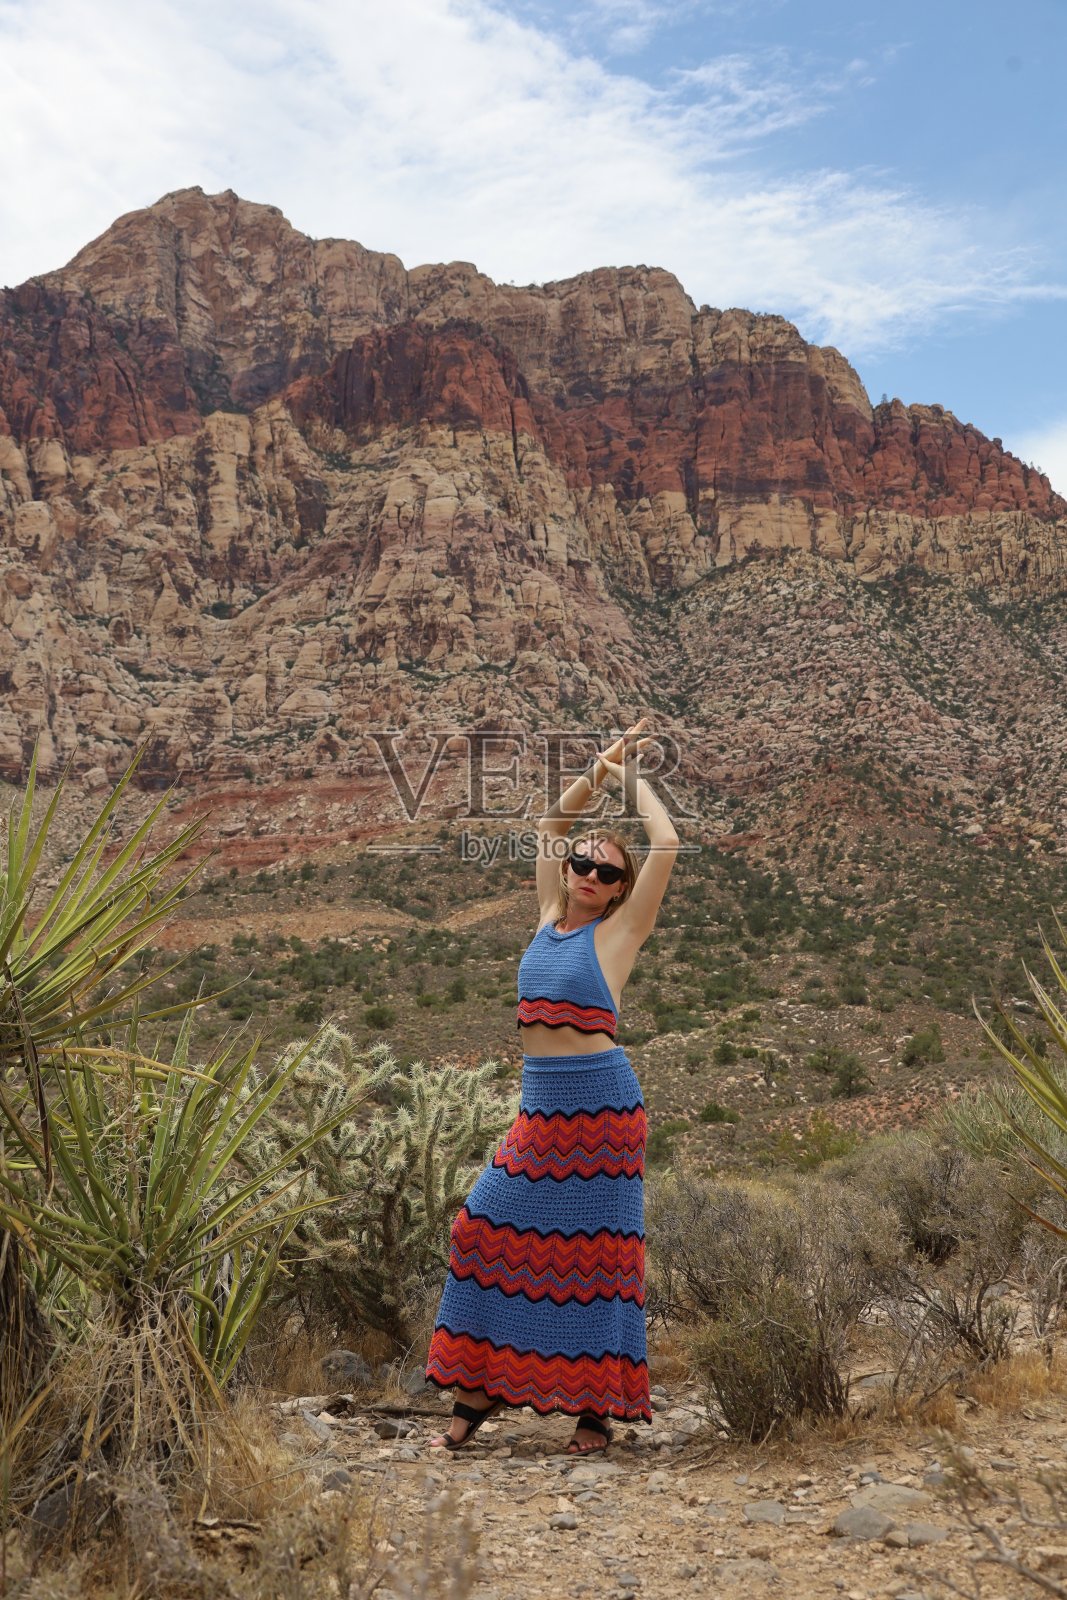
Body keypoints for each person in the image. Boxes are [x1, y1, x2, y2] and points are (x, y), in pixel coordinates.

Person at [425, 718, 679, 1453]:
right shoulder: (546, 917)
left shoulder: (620, 934)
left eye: (606, 874)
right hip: (541, 1106)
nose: (590, 876)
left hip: (601, 1108)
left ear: (620, 890)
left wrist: (631, 782)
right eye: (582, 865)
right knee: (482, 1227)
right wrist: (600, 767)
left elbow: (663, 843)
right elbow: (550, 820)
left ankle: (593, 1411)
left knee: (599, 1257)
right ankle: (479, 1388)